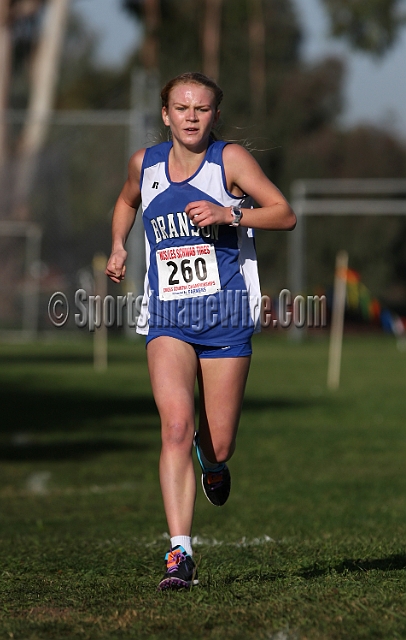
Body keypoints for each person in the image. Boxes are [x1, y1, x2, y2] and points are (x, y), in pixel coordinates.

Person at [106, 72, 296, 591]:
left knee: (220, 442)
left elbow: (284, 213)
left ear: (214, 114)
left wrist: (229, 213)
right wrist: (120, 245)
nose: (192, 116)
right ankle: (180, 555)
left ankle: (211, 463)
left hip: (226, 319)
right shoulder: (143, 166)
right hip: (168, 320)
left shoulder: (229, 161)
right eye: (182, 107)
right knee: (174, 426)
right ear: (165, 114)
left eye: (202, 108)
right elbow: (125, 202)